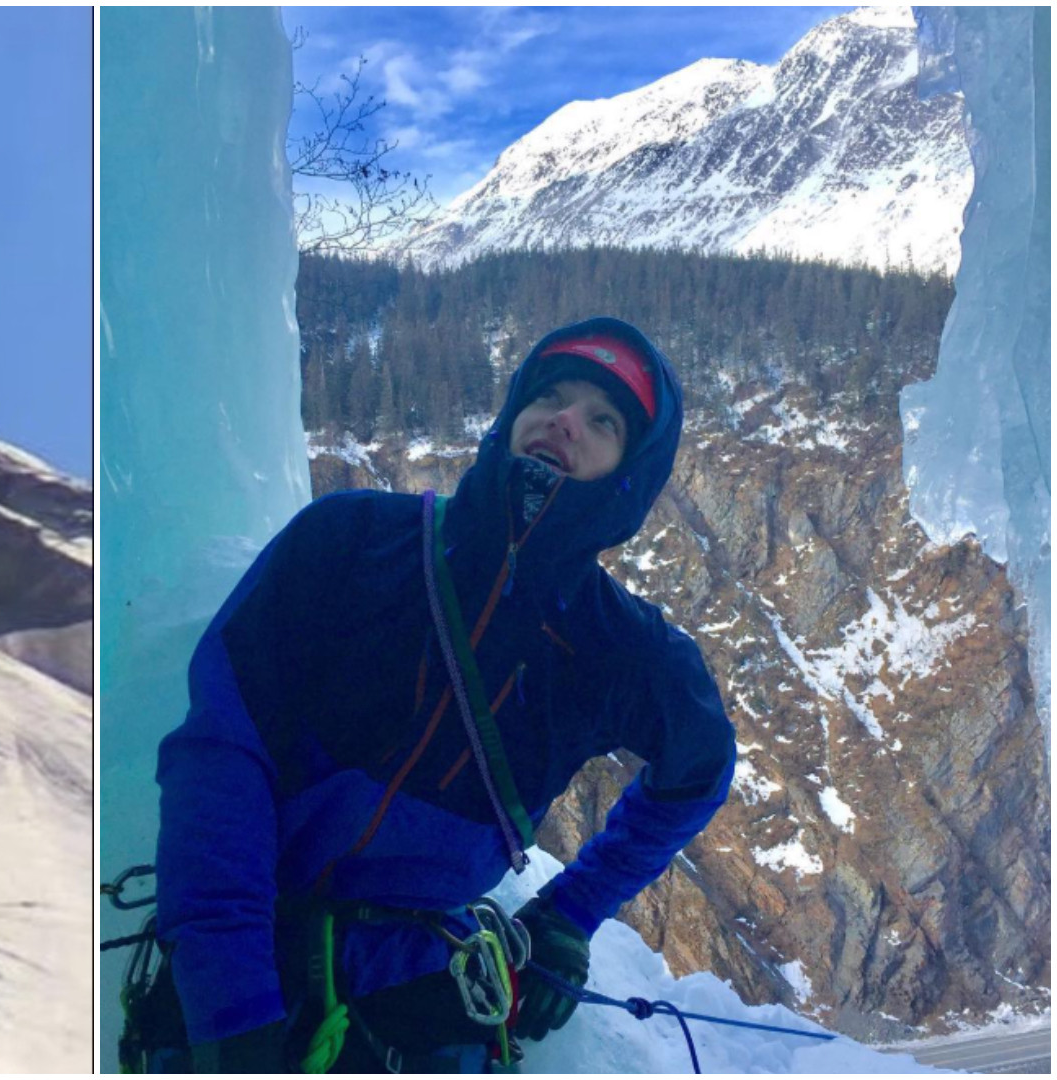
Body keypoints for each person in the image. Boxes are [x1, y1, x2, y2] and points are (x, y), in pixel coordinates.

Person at [153, 316, 737, 1072]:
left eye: (604, 421)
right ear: (513, 413)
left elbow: (700, 770)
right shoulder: (350, 540)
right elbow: (222, 753)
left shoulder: (623, 652)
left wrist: (572, 910)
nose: (565, 419)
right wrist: (230, 993)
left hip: (418, 983)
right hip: (253, 936)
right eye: (550, 395)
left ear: (632, 476)